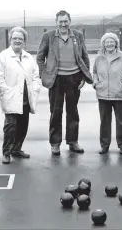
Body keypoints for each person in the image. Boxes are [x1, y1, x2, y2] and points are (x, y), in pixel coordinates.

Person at [36, 10, 93, 156]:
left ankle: (73, 141)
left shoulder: (78, 36)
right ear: (56, 22)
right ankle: (55, 143)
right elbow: (40, 57)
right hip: (56, 80)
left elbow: (84, 57)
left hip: (74, 79)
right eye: (60, 21)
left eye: (65, 21)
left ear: (70, 21)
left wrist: (83, 76)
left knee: (72, 112)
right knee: (56, 112)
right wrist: (44, 74)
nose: (63, 24)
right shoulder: (48, 36)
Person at [0, 27, 42, 164]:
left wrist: (35, 88)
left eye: (20, 39)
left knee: (23, 126)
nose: (17, 41)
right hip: (11, 98)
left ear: (24, 41)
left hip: (26, 98)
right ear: (10, 39)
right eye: (14, 38)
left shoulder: (29, 58)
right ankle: (6, 152)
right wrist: (6, 91)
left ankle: (17, 149)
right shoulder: (2, 57)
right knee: (10, 127)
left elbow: (35, 76)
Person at [92, 32, 122, 155]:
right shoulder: (99, 58)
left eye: (112, 41)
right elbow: (94, 71)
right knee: (104, 121)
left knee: (121, 121)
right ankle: (104, 145)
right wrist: (96, 83)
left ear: (116, 43)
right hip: (103, 95)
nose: (109, 44)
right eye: (107, 42)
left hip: (120, 95)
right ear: (103, 44)